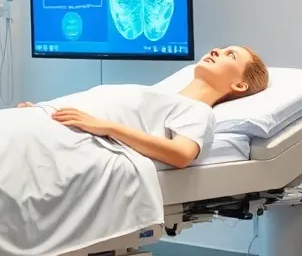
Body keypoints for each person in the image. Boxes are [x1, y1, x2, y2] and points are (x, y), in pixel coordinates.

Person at [19, 46, 270, 168]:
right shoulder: (158, 94)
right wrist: (42, 108)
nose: (217, 50)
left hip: (63, 139)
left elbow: (181, 155)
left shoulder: (198, 110)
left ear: (239, 86)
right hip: (39, 121)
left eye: (231, 55)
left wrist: (106, 127)